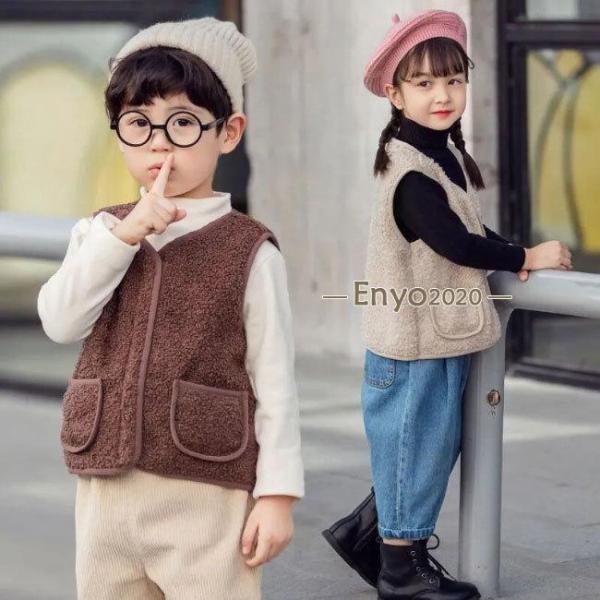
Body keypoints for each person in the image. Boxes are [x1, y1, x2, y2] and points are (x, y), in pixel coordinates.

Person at [37, 16, 304, 600]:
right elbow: (60, 320)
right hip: (106, 490)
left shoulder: (250, 251)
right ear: (118, 133)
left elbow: (275, 380)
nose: (159, 143)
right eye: (138, 123)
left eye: (182, 123)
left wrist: (277, 495)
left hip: (208, 490)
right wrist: (124, 236)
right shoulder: (101, 232)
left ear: (228, 132)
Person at [322, 9, 572, 600]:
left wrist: (512, 253)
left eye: (454, 80)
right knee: (417, 449)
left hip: (430, 336)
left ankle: (366, 533)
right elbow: (455, 243)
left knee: (424, 449)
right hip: (412, 347)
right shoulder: (410, 173)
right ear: (395, 93)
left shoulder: (437, 154)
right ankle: (400, 573)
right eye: (425, 82)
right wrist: (524, 255)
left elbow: (466, 228)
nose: (443, 95)